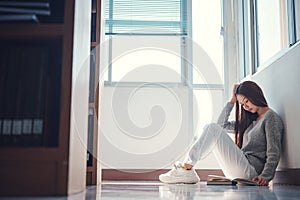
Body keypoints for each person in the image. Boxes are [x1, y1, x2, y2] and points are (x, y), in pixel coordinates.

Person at [159, 81, 284, 186]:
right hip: (240, 171)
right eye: (242, 104)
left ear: (255, 95)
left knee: (212, 128)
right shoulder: (251, 121)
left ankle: (186, 167)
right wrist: (232, 101)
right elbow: (221, 125)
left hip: (251, 172)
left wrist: (266, 176)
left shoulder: (270, 118)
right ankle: (187, 169)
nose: (245, 107)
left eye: (246, 101)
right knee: (212, 128)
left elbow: (274, 151)